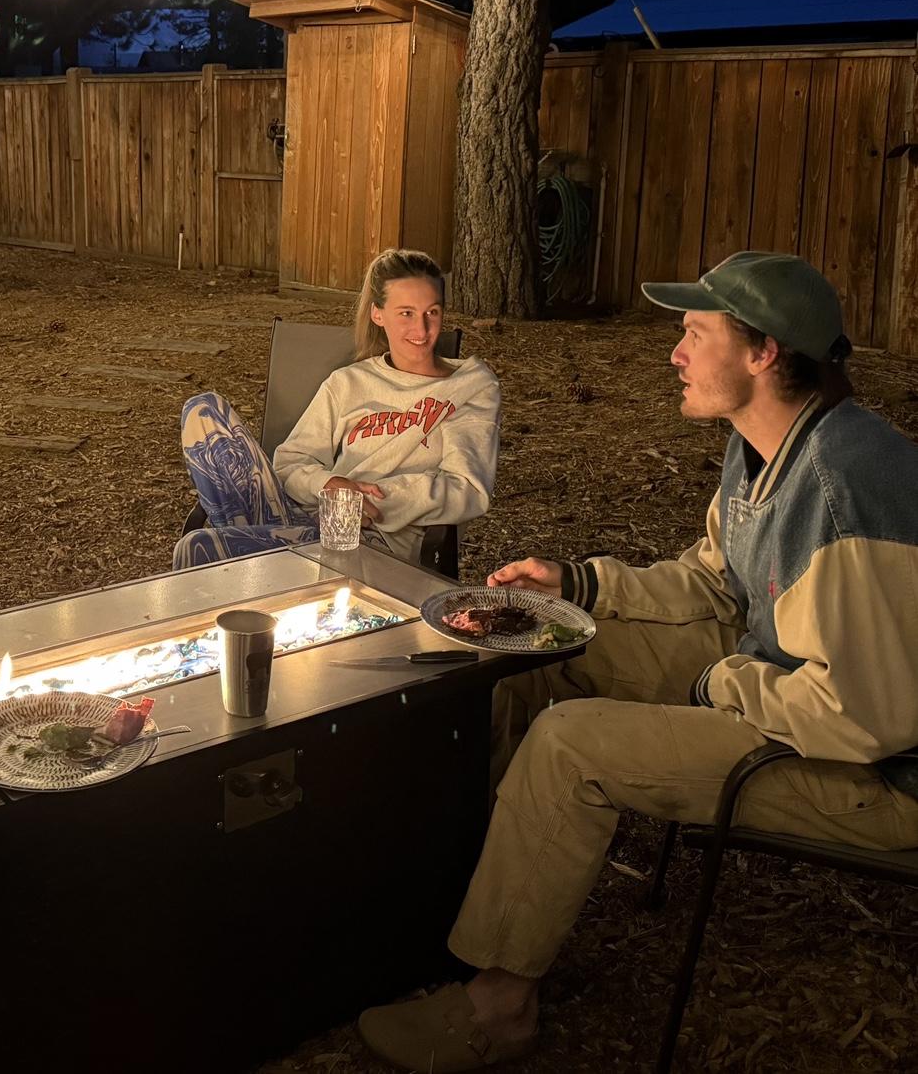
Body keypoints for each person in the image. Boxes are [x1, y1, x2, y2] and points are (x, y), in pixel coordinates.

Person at [358, 251, 918, 1073]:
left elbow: (864, 717)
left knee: (572, 743)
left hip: (879, 777)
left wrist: (719, 686)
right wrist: (579, 584)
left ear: (763, 353)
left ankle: (499, 1007)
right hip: (782, 675)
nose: (674, 353)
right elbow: (713, 579)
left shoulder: (844, 490)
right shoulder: (768, 440)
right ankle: (473, 890)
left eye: (695, 333)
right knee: (536, 653)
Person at [173, 248, 500, 569]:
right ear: (378, 314)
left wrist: (365, 501)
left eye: (432, 312)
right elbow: (290, 464)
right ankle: (255, 549)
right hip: (308, 519)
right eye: (406, 313)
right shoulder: (348, 382)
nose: (422, 330)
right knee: (203, 411)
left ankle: (247, 555)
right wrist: (330, 487)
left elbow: (466, 489)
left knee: (200, 547)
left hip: (372, 542)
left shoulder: (469, 389)